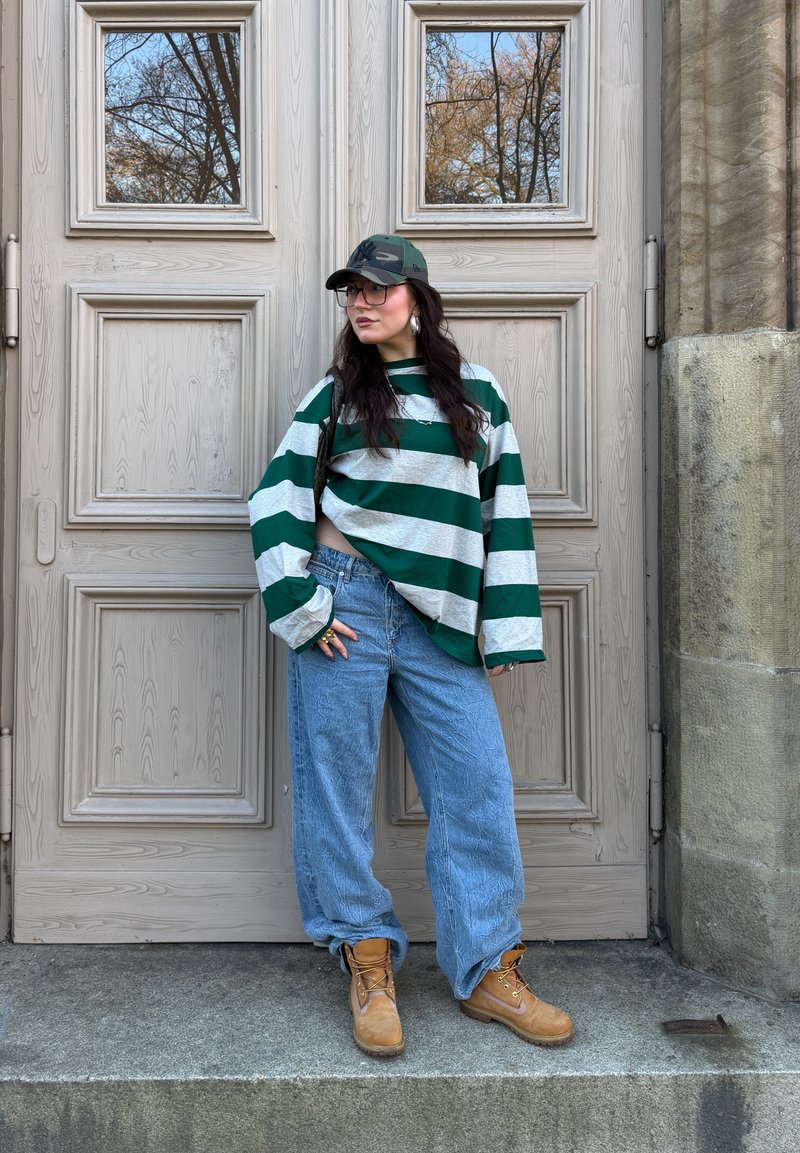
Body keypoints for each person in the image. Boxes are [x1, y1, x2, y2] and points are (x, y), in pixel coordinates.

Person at [248, 234, 574, 1057]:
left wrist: (500, 626)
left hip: (441, 624)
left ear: (418, 300)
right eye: (352, 291)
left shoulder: (477, 394)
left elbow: (505, 512)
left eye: (378, 290)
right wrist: (302, 605)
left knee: (477, 787)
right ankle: (365, 954)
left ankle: (487, 966)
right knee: (335, 787)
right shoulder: (334, 396)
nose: (362, 302)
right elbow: (276, 498)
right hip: (345, 607)